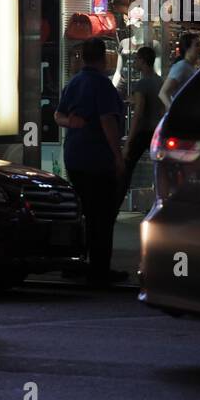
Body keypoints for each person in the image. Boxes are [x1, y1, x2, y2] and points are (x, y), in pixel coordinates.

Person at [54, 39, 128, 286]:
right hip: (97, 159)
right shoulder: (102, 85)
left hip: (75, 156)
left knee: (83, 212)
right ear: (103, 58)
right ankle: (99, 269)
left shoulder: (73, 82)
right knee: (102, 216)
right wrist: (118, 156)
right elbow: (108, 121)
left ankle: (76, 263)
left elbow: (58, 115)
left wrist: (71, 123)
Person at [119, 45, 164, 209]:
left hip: (143, 132)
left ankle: (116, 202)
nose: (134, 62)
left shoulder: (142, 84)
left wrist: (129, 141)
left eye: (137, 59)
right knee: (159, 170)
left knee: (126, 168)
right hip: (156, 132)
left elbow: (138, 115)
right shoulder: (160, 81)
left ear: (143, 61)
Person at [160, 31, 200, 107]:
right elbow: (163, 93)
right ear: (187, 49)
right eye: (197, 45)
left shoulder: (190, 67)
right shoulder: (182, 66)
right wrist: (174, 113)